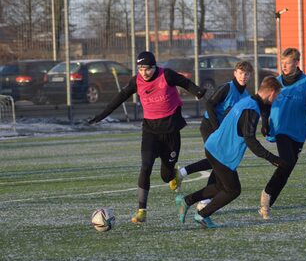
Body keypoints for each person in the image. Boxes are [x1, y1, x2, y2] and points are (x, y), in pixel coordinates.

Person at [88, 51, 206, 224]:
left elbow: (184, 82)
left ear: (154, 66)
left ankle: (174, 174)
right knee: (146, 166)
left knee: (166, 177)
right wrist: (102, 114)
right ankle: (141, 210)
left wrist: (197, 91)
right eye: (141, 68)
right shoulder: (137, 80)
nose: (144, 73)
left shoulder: (166, 74)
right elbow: (121, 96)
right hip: (150, 131)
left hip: (171, 131)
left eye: (147, 69)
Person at [175, 76, 285, 228]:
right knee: (233, 190)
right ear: (272, 93)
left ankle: (186, 201)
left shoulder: (249, 101)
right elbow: (251, 141)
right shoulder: (251, 110)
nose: (277, 98)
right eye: (277, 95)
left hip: (214, 147)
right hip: (221, 153)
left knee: (221, 187)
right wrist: (273, 158)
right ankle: (201, 215)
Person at [258, 47, 306, 220]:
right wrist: (265, 123)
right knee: (286, 162)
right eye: (282, 63)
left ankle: (266, 203)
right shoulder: (275, 82)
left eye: (287, 63)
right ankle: (266, 198)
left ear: (296, 63)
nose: (284, 67)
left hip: (298, 132)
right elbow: (265, 104)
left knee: (286, 169)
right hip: (280, 130)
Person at [177, 61, 253, 209]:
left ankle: (193, 185)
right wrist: (217, 128)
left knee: (219, 163)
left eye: (247, 73)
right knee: (218, 161)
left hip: (222, 132)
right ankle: (199, 194)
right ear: (235, 73)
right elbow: (210, 104)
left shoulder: (246, 96)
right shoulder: (227, 87)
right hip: (209, 125)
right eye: (241, 72)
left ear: (250, 76)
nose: (243, 76)